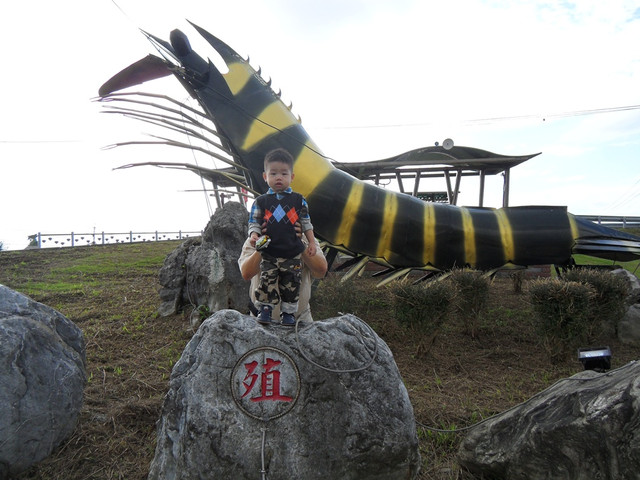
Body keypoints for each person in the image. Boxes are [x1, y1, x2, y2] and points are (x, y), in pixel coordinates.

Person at [244, 148, 325, 326]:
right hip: (261, 323)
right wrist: (258, 239)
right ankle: (265, 309)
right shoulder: (260, 202)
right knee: (267, 280)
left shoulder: (299, 201)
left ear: (292, 176)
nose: (278, 177)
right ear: (265, 176)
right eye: (273, 173)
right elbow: (246, 273)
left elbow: (321, 270)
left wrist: (305, 243)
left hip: (300, 321)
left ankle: (288, 313)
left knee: (291, 282)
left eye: (284, 173)